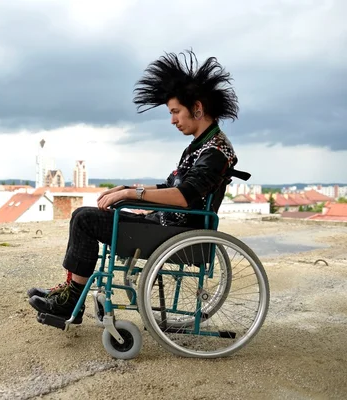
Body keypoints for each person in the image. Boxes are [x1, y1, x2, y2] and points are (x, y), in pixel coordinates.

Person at [27, 49, 240, 324]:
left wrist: (131, 194)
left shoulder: (215, 151)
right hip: (167, 226)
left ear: (197, 108)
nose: (172, 119)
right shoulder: (202, 145)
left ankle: (71, 301)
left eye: (175, 112)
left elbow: (185, 196)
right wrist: (125, 188)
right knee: (87, 215)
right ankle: (72, 293)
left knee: (85, 219)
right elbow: (172, 185)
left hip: (176, 235)